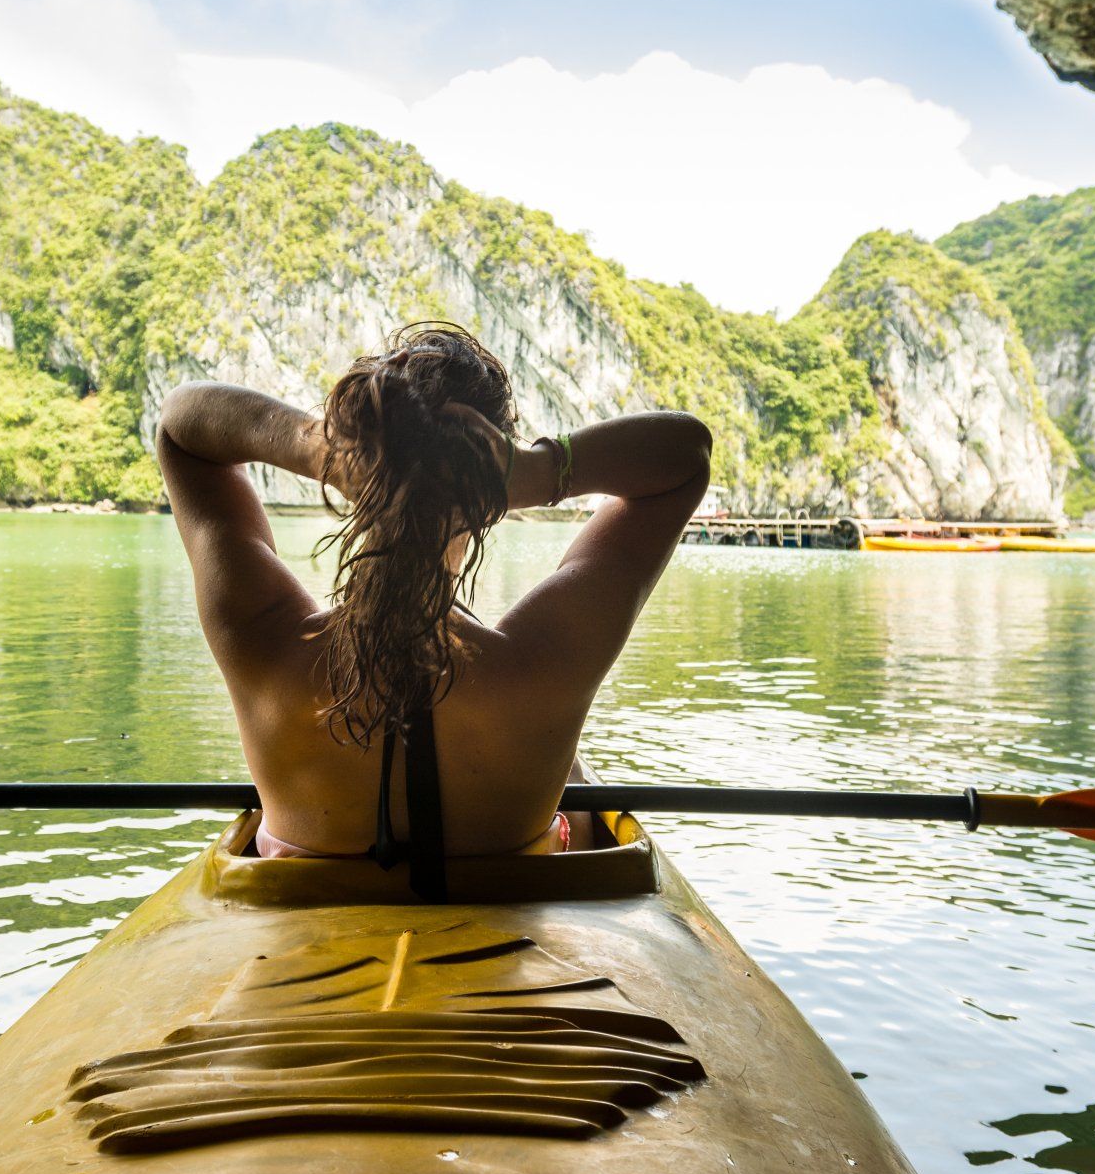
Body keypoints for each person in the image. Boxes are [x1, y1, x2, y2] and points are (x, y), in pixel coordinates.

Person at [156, 323, 710, 894]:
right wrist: (539, 472)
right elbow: (686, 454)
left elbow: (181, 423)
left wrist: (315, 446)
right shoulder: (548, 663)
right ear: (490, 492)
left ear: (355, 470)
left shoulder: (265, 643)